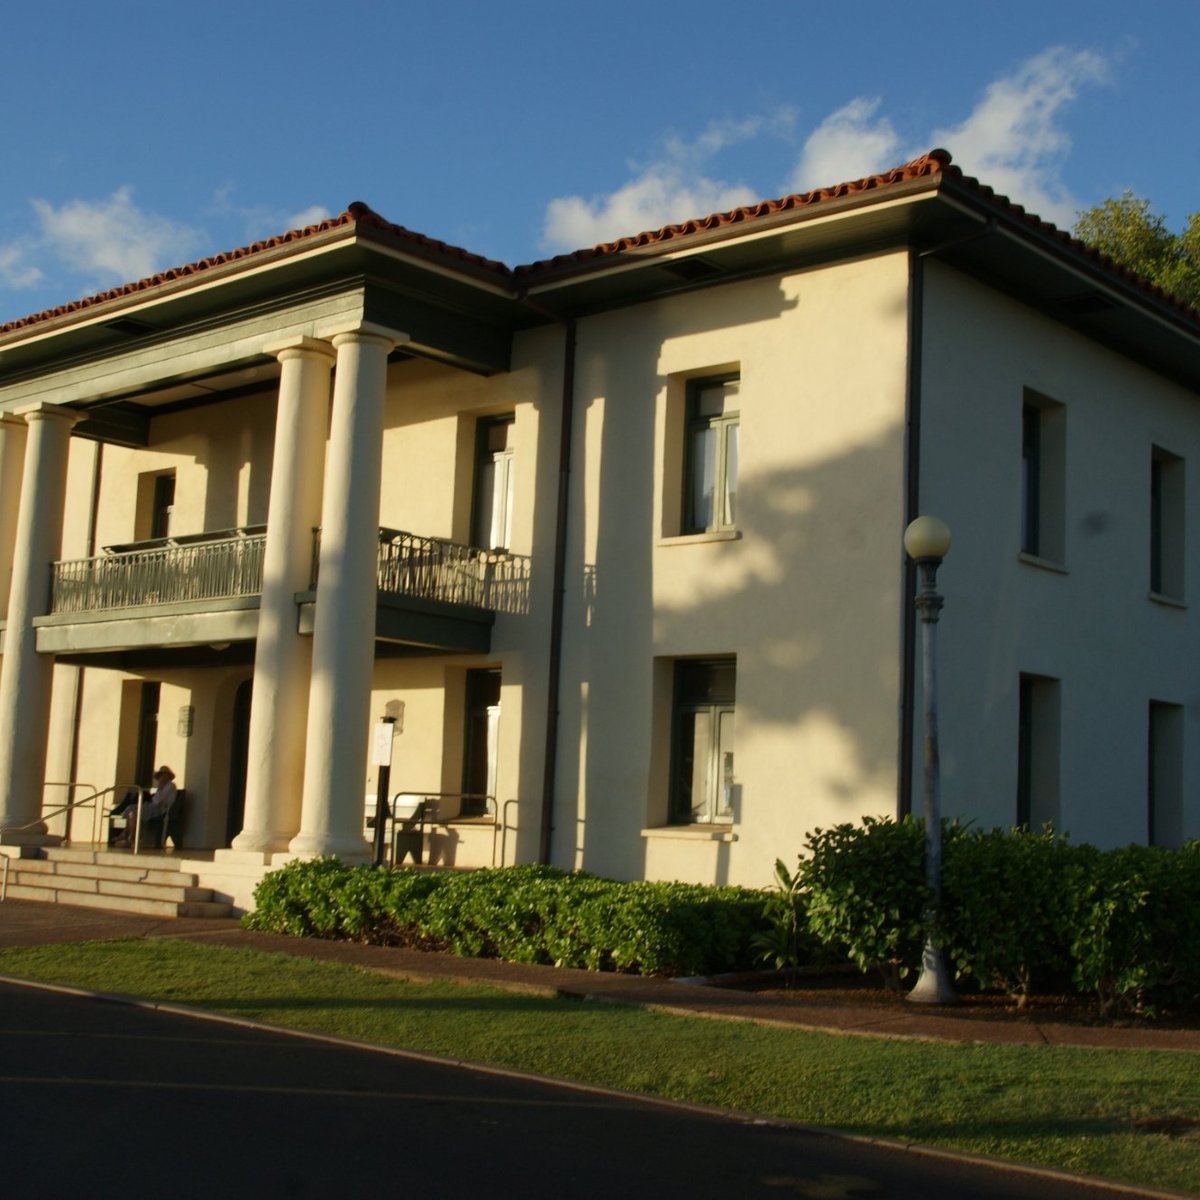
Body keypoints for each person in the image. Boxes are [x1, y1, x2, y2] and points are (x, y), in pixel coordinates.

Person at [112, 766, 178, 849]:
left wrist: (159, 791)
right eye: (161, 775)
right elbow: (155, 799)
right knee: (130, 808)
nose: (162, 777)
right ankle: (126, 834)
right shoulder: (161, 786)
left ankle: (130, 838)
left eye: (165, 775)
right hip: (152, 806)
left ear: (168, 776)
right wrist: (159, 791)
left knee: (134, 813)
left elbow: (159, 800)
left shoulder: (170, 785)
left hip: (160, 809)